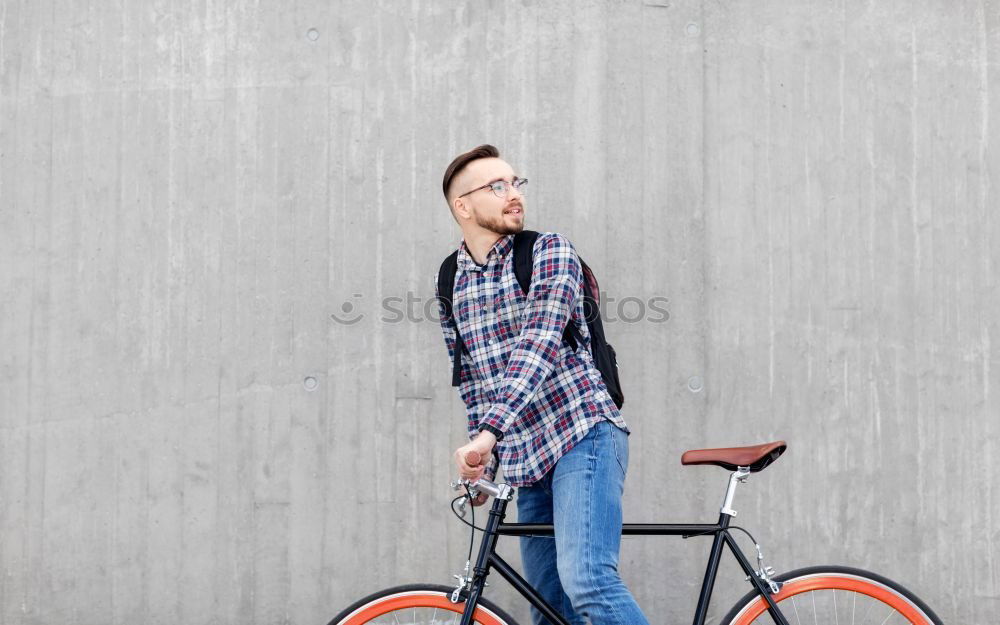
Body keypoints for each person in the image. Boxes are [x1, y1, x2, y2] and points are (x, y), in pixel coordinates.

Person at [435, 144, 649, 625]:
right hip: (526, 460)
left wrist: (489, 431)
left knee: (588, 581)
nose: (514, 195)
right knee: (550, 609)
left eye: (516, 183)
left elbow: (539, 345)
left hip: (583, 434)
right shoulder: (449, 279)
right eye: (497, 186)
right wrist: (482, 456)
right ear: (462, 207)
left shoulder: (550, 251)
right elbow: (471, 377)